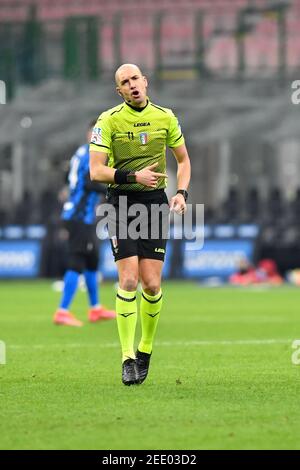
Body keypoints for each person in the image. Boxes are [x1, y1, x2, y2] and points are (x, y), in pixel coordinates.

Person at [89, 64, 191, 385]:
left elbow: (184, 160)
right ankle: (127, 357)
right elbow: (96, 170)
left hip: (155, 204)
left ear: (145, 82)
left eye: (135, 79)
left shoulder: (166, 117)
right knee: (129, 280)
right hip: (120, 203)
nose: (132, 85)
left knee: (152, 284)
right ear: (118, 90)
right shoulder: (108, 121)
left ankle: (145, 349)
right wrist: (134, 176)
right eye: (124, 82)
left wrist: (181, 193)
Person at [53, 119, 116, 327]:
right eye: (97, 133)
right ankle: (63, 311)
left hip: (81, 215)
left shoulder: (81, 153)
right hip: (79, 216)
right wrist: (113, 189)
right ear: (90, 134)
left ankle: (95, 308)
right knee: (77, 261)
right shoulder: (90, 153)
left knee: (92, 260)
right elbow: (90, 182)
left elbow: (70, 178)